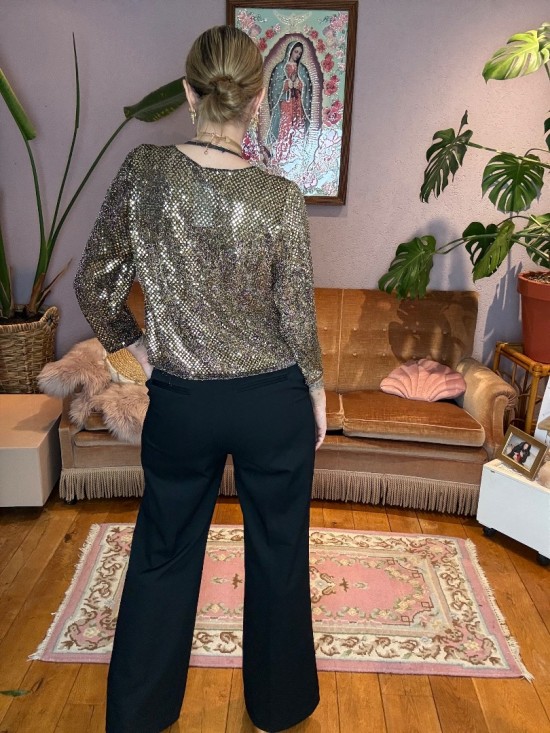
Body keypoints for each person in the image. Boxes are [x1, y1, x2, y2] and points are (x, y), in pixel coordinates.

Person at [73, 24, 326, 733]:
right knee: (279, 551)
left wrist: (139, 351)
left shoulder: (145, 172)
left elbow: (94, 284)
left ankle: (139, 714)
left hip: (183, 401)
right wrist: (315, 391)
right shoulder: (279, 196)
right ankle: (279, 708)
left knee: (164, 551)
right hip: (272, 400)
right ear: (257, 102)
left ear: (189, 92)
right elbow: (296, 312)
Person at [267, 40, 313, 160]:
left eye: (300, 53)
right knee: (285, 125)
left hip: (298, 103)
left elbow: (308, 87)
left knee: (297, 124)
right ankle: (281, 154)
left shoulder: (302, 69)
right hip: (285, 103)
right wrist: (286, 84)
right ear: (290, 51)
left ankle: (296, 154)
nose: (297, 55)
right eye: (296, 52)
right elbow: (274, 87)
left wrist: (300, 84)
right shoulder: (280, 67)